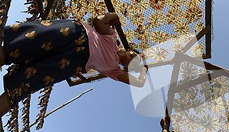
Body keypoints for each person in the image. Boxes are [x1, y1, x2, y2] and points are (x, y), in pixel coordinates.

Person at [0, 12, 148, 117]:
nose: (135, 61)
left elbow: (139, 83)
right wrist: (114, 17)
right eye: (136, 57)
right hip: (73, 33)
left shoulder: (115, 70)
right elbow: (99, 21)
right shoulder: (112, 37)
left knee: (29, 81)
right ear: (130, 50)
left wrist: (142, 71)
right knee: (23, 44)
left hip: (73, 62)